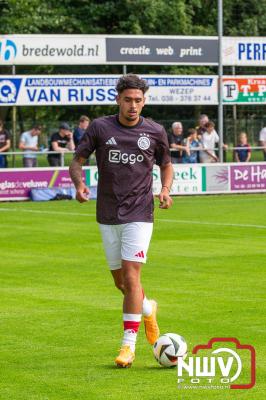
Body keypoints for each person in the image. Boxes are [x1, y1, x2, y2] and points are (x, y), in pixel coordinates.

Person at [69, 74, 173, 368]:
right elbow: (77, 160)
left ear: (144, 101)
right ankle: (148, 308)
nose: (133, 105)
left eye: (138, 100)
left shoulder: (154, 131)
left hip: (140, 213)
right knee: (123, 285)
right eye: (127, 100)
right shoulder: (101, 128)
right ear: (118, 99)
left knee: (131, 276)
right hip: (107, 213)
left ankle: (128, 347)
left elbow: (166, 163)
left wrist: (165, 190)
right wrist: (79, 185)